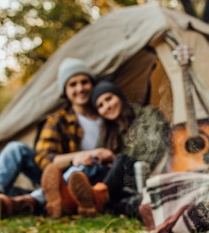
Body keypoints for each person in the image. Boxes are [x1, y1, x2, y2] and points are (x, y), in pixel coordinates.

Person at [0, 57, 109, 218]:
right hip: (53, 176)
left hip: (86, 178)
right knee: (15, 148)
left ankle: (27, 202)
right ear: (65, 90)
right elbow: (45, 159)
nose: (80, 89)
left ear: (92, 84)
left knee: (86, 166)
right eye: (73, 84)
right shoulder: (58, 120)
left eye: (84, 82)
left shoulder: (107, 116)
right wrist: (75, 157)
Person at [40, 78, 170, 219]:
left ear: (119, 96)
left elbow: (153, 151)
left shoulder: (147, 114)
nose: (106, 106)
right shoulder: (109, 132)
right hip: (122, 182)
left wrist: (115, 159)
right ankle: (72, 199)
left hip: (146, 172)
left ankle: (97, 197)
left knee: (120, 160)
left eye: (109, 99)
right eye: (100, 105)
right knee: (97, 166)